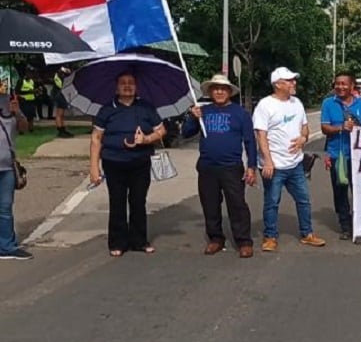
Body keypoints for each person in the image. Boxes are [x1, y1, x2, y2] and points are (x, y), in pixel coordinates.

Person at [89, 72, 166, 257]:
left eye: (131, 83)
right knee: (117, 203)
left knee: (138, 202)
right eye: (123, 83)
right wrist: (93, 167)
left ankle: (139, 241)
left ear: (136, 86)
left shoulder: (146, 107)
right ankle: (117, 242)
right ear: (116, 87)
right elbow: (96, 137)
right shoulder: (107, 109)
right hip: (113, 163)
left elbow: (162, 130)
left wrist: (146, 139)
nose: (127, 86)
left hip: (140, 163)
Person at [183, 74, 257, 258]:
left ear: (229, 91)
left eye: (223, 88)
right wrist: (192, 117)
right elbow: (186, 133)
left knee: (237, 205)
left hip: (231, 167)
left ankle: (244, 241)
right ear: (209, 91)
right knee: (210, 205)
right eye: (215, 88)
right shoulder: (203, 111)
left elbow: (250, 141)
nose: (219, 91)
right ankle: (215, 238)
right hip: (207, 167)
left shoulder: (240, 114)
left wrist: (251, 167)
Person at [253, 67, 326, 252]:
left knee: (303, 200)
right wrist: (268, 161)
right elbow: (261, 136)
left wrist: (303, 139)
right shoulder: (265, 105)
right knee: (272, 201)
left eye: (294, 80)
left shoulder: (297, 103)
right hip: (274, 166)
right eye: (289, 80)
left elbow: (305, 128)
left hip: (295, 164)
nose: (294, 83)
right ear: (278, 84)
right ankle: (270, 236)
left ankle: (307, 233)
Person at [321, 71, 361, 241]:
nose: (340, 87)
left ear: (352, 86)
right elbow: (324, 128)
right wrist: (340, 128)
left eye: (344, 84)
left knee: (359, 193)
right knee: (340, 192)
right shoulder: (328, 103)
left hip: (358, 157)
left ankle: (360, 227)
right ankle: (345, 225)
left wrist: (357, 127)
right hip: (338, 156)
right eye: (337, 83)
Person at [0, 94, 33, 260]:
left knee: (5, 208)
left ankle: (7, 247)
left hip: (7, 167)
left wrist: (17, 112)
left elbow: (24, 128)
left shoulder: (10, 102)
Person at [52, 67, 74, 138]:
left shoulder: (61, 77)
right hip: (60, 95)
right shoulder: (57, 77)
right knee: (59, 114)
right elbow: (61, 86)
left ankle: (63, 129)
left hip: (62, 95)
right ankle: (60, 130)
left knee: (61, 115)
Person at [14, 67, 36, 134]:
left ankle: (31, 129)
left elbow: (32, 90)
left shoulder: (32, 81)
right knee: (23, 116)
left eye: (32, 73)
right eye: (30, 73)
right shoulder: (21, 81)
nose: (31, 75)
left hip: (31, 100)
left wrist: (35, 92)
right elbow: (17, 91)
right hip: (24, 101)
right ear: (26, 73)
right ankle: (21, 130)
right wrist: (28, 92)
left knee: (31, 116)